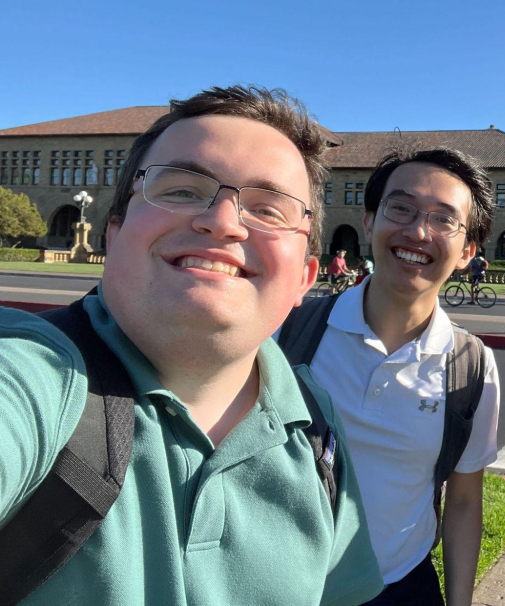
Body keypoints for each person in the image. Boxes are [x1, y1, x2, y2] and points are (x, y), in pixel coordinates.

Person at [0, 86, 382, 605]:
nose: (222, 221)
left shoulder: (316, 426)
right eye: (180, 189)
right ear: (114, 236)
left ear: (305, 279)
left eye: (269, 209)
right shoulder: (33, 377)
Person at [281, 147, 501, 606]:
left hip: (399, 587)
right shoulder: (291, 327)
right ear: (369, 221)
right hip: (280, 582)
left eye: (444, 219)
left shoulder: (471, 366)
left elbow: (462, 501)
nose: (418, 231)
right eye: (400, 208)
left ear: (467, 252)